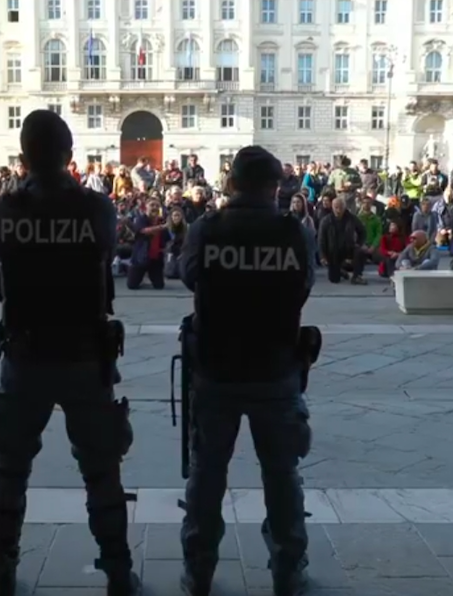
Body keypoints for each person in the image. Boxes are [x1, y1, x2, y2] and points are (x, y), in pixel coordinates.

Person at [0, 109, 141, 596]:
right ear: (69, 155)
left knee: (11, 467)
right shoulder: (97, 208)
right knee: (101, 469)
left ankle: (2, 566)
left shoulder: (0, 210)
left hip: (25, 353)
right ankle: (117, 571)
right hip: (84, 354)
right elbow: (105, 250)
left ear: (24, 156)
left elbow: (0, 254)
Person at [178, 146, 316, 596]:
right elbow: (304, 286)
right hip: (276, 369)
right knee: (282, 474)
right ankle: (287, 569)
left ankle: (199, 567)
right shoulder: (294, 233)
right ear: (275, 187)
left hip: (216, 369)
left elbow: (188, 275)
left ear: (232, 183)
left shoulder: (207, 228)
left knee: (207, 473)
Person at [317, 197, 368, 285]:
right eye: (336, 207)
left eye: (341, 207)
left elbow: (362, 231)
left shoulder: (351, 218)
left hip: (348, 248)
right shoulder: (326, 220)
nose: (338, 210)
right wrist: (322, 256)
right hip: (333, 252)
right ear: (332, 207)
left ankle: (357, 276)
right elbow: (321, 239)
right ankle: (341, 271)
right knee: (334, 279)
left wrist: (359, 243)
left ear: (344, 207)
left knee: (360, 252)